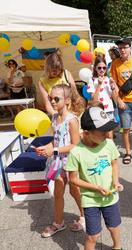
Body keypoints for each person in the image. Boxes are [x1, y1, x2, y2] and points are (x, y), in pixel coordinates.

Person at [65, 106, 123, 250]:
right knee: (93, 236)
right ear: (87, 133)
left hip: (110, 197)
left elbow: (114, 163)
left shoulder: (109, 144)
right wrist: (95, 188)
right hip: (90, 200)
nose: (107, 135)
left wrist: (116, 181)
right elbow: (73, 179)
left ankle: (118, 246)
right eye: (102, 133)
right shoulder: (76, 152)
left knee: (113, 227)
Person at [35, 84, 85, 238]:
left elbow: (75, 145)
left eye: (56, 99)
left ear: (68, 100)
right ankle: (58, 223)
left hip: (71, 162)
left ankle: (85, 216)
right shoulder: (55, 117)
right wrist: (47, 147)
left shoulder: (72, 120)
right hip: (58, 162)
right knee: (58, 193)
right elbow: (57, 140)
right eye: (51, 98)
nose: (53, 101)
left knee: (74, 190)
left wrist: (53, 150)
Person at [37, 52, 85, 116]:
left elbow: (75, 93)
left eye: (58, 69)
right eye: (53, 70)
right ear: (47, 68)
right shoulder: (42, 81)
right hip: (56, 112)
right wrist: (55, 115)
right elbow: (47, 102)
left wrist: (77, 109)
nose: (56, 72)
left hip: (71, 111)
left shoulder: (66, 73)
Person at [89, 56, 119, 139]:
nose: (102, 70)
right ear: (95, 68)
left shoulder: (109, 79)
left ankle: (111, 151)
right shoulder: (92, 80)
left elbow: (115, 98)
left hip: (109, 110)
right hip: (98, 111)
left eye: (104, 68)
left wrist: (112, 86)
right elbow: (94, 100)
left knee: (109, 135)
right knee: (100, 136)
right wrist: (99, 84)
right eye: (99, 68)